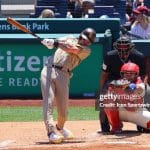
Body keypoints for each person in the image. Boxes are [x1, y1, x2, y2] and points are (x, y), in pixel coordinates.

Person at [40, 28, 96, 144]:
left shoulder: (86, 50)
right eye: (85, 40)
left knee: (64, 111)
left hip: (64, 74)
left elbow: (72, 49)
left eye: (88, 42)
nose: (86, 43)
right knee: (48, 102)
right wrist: (49, 42)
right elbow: (56, 43)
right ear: (81, 36)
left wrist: (55, 43)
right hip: (48, 70)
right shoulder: (68, 36)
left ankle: (60, 127)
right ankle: (51, 132)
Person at [98, 36, 146, 134]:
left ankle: (142, 124)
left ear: (131, 47)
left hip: (133, 81)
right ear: (116, 47)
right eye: (120, 47)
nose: (123, 49)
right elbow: (104, 74)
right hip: (113, 81)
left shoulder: (139, 56)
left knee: (147, 94)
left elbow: (143, 75)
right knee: (104, 99)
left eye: (125, 47)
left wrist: (143, 88)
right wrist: (102, 90)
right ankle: (106, 126)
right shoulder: (109, 56)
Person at [104, 62, 150, 134]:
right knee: (108, 98)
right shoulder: (116, 83)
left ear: (136, 74)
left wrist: (123, 90)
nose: (128, 75)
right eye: (126, 73)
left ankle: (143, 126)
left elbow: (132, 108)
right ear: (122, 74)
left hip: (137, 113)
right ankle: (116, 126)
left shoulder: (140, 85)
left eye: (131, 73)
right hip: (121, 113)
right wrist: (115, 89)